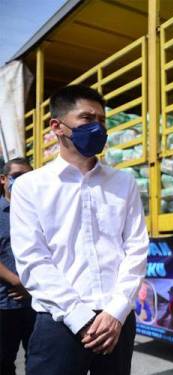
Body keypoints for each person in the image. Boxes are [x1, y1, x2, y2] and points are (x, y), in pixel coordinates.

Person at [10, 84, 149, 375]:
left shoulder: (124, 183)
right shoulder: (30, 186)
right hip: (60, 322)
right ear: (57, 126)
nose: (97, 127)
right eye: (87, 119)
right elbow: (33, 260)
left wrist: (115, 312)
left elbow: (136, 249)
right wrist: (79, 317)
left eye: (101, 121)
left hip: (117, 324)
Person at [0, 157, 35, 375]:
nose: (24, 181)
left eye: (28, 176)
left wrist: (31, 287)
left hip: (37, 303)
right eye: (18, 176)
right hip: (5, 304)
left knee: (39, 360)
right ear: (3, 179)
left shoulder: (37, 212)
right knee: (3, 362)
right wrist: (19, 282)